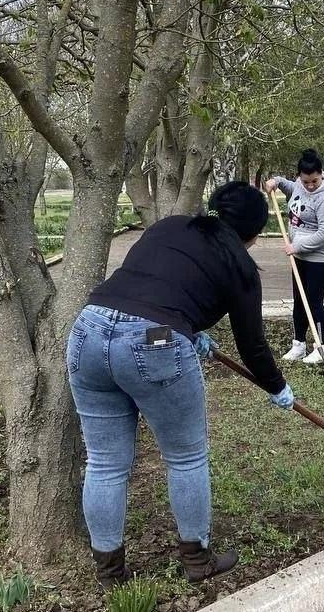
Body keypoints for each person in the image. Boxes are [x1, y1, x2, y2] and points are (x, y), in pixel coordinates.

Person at [67, 182, 294, 588]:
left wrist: (185, 331)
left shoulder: (169, 226)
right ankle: (197, 562)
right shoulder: (239, 264)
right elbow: (252, 344)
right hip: (154, 338)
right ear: (255, 232)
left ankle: (110, 574)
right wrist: (276, 386)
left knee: (104, 462)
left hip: (89, 331)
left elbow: (148, 297)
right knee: (186, 458)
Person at [264, 149, 324, 365]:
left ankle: (321, 347)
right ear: (300, 176)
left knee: (313, 302)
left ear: (321, 175)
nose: (309, 186)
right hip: (299, 255)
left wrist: (296, 244)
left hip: (321, 257)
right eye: (305, 181)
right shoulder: (299, 184)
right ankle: (298, 345)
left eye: (314, 181)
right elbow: (289, 186)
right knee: (299, 302)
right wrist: (276, 182)